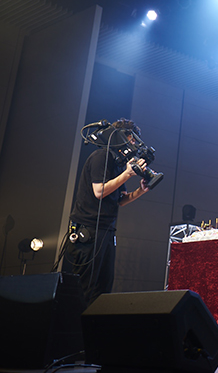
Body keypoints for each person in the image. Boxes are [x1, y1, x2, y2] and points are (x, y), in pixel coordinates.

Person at [62, 118, 149, 306]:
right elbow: (99, 191)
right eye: (132, 138)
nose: (134, 143)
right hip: (89, 231)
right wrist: (127, 174)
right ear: (122, 137)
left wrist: (141, 191)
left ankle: (94, 324)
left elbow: (120, 200)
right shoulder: (101, 156)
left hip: (106, 231)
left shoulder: (118, 163)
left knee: (103, 290)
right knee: (85, 289)